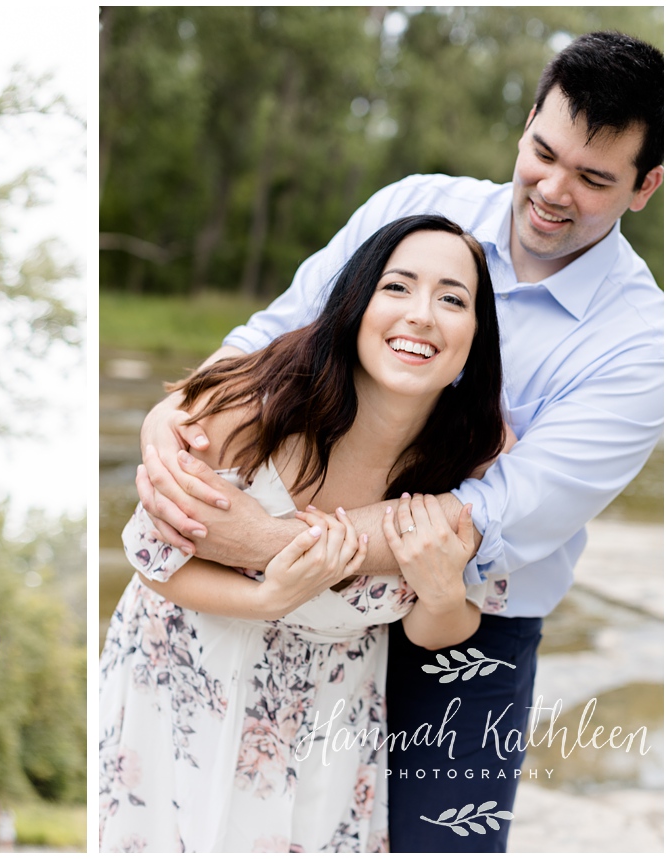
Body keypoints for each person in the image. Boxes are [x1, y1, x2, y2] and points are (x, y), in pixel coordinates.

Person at [134, 32, 663, 851]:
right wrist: (168, 426)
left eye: (593, 178)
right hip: (278, 620)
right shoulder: (410, 209)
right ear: (525, 123)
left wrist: (272, 542)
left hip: (464, 624)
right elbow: (275, 335)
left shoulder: (640, 347)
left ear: (646, 187)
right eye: (542, 153)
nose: (553, 190)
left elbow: (487, 513)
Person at [99, 214, 509, 851]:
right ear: (355, 306)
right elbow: (152, 560)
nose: (422, 315)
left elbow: (444, 630)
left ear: (476, 337)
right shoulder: (253, 406)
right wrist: (265, 597)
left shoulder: (478, 459)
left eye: (452, 299)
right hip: (184, 691)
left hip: (330, 728)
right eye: (396, 287)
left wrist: (442, 594)